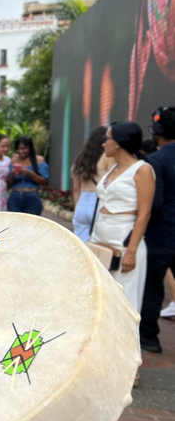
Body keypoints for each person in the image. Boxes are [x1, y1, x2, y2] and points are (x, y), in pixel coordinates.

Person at [89, 123, 154, 315]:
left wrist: (131, 251)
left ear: (118, 143)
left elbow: (144, 213)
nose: (103, 144)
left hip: (124, 241)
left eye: (106, 139)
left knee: (124, 304)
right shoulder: (112, 167)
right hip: (101, 238)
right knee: (102, 301)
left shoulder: (142, 170)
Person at [139, 107, 175, 352]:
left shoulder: (156, 161)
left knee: (152, 287)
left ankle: (149, 338)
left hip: (161, 235)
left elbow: (156, 201)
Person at [70, 126, 113, 241]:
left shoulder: (80, 159)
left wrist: (77, 207)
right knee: (99, 248)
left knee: (83, 248)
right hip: (99, 202)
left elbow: (76, 188)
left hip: (82, 203)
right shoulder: (106, 158)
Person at [6, 136, 49, 215]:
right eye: (18, 149)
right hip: (15, 196)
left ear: (30, 148)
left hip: (32, 197)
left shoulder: (39, 160)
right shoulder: (13, 161)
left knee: (31, 224)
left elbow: (44, 181)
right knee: (14, 225)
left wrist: (30, 173)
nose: (21, 151)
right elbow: (10, 183)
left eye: (24, 148)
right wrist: (12, 174)